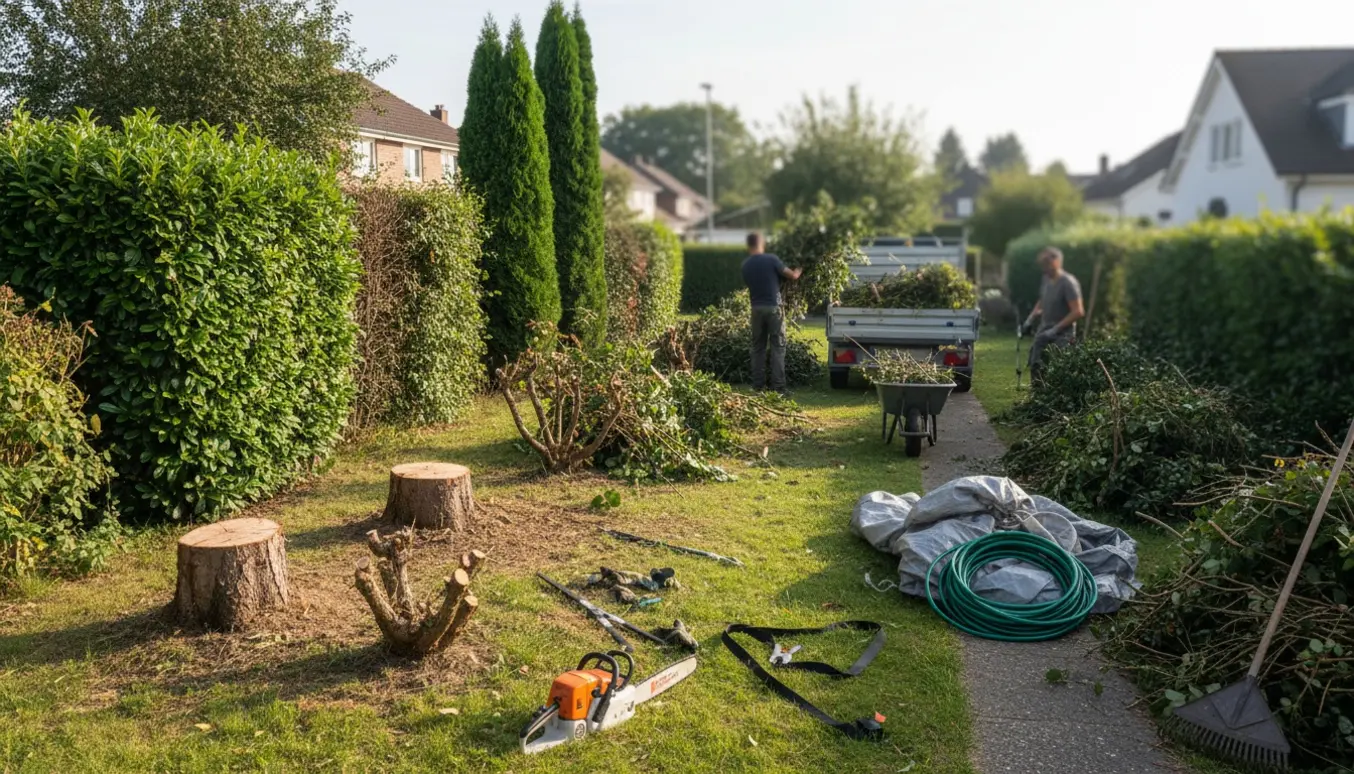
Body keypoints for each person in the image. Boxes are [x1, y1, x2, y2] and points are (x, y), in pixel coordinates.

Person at [741, 232, 802, 393]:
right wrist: (801, 267)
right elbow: (793, 276)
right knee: (778, 346)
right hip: (774, 307)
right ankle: (778, 387)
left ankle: (758, 386)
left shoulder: (745, 265)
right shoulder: (772, 259)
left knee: (758, 348)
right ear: (762, 244)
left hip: (756, 308)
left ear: (748, 246)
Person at [1022, 246, 1084, 384]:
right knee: (1035, 360)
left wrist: (1055, 329)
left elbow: (1078, 311)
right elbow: (1042, 300)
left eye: (1046, 265)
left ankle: (1057, 394)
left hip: (1063, 333)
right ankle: (1037, 393)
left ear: (1056, 262)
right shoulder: (1046, 279)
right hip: (1045, 328)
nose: (1044, 269)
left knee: (1058, 365)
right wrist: (1030, 318)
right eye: (1042, 265)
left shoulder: (1068, 283)